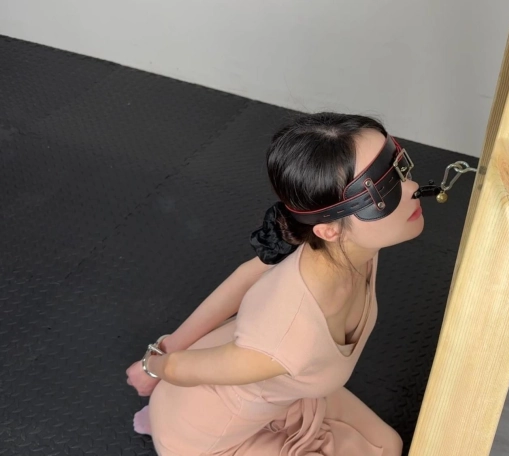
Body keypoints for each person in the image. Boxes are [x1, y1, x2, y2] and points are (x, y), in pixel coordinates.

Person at [125, 112, 424, 455]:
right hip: (207, 434)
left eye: (399, 166)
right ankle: (164, 423)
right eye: (382, 192)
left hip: (274, 387)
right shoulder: (292, 337)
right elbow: (176, 367)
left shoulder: (345, 244)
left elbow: (244, 276)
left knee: (388, 445)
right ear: (329, 230)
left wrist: (169, 345)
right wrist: (152, 366)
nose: (412, 188)